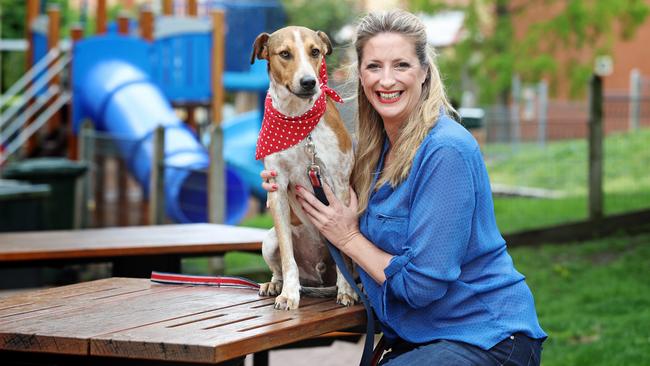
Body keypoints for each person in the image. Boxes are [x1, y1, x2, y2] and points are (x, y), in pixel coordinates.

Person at [261, 10, 546, 365]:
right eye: (374, 66)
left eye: (401, 65)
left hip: (486, 337)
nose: (386, 80)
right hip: (422, 337)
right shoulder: (373, 151)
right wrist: (292, 180)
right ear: (359, 75)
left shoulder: (446, 150)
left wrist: (349, 238)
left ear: (424, 72)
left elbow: (422, 285)